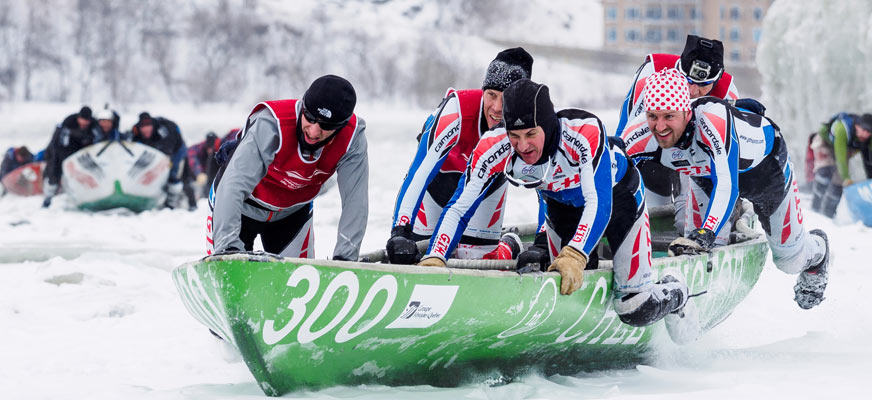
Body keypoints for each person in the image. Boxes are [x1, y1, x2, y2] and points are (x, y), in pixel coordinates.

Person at [420, 79, 690, 329]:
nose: (522, 146)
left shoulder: (584, 132)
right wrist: (436, 255)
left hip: (619, 199)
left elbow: (598, 203)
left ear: (547, 127)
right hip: (561, 208)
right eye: (514, 135)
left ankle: (674, 291)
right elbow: (459, 208)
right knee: (565, 291)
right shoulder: (493, 145)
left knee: (634, 309)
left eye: (530, 134)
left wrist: (575, 254)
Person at [627, 68, 832, 310]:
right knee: (692, 250)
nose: (659, 127)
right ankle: (690, 302)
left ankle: (818, 251)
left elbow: (728, 184)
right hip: (707, 176)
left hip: (765, 172)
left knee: (788, 259)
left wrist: (708, 231)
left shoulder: (712, 119)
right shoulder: (638, 134)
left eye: (669, 117)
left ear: (686, 111)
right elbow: (611, 178)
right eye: (653, 116)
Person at [387, 48, 533, 264]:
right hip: (436, 186)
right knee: (414, 253)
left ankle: (508, 245)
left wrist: (542, 238)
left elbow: (544, 180)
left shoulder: (528, 123)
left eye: (506, 99)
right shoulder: (456, 110)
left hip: (486, 188)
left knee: (477, 262)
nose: (497, 108)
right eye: (491, 95)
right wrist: (400, 230)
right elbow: (419, 172)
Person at [208, 75, 368, 261]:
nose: (314, 131)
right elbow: (232, 186)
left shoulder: (352, 139)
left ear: (341, 127)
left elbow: (356, 202)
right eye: (310, 118)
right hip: (241, 205)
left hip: (292, 213)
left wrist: (345, 259)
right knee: (229, 266)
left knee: (298, 284)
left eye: (326, 125)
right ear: (302, 107)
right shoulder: (271, 123)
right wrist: (228, 249)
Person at [616, 35, 741, 230]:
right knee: (649, 201)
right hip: (654, 149)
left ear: (717, 80)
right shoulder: (652, 72)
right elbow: (624, 133)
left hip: (695, 154)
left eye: (702, 85)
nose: (691, 91)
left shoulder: (728, 93)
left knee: (688, 215)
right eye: (686, 80)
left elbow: (730, 159)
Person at [810, 112, 872, 217]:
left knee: (838, 183)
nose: (866, 134)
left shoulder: (868, 138)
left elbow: (869, 159)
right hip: (825, 143)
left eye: (869, 132)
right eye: (864, 130)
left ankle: (828, 215)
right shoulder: (842, 129)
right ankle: (815, 209)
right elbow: (840, 158)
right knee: (825, 171)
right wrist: (846, 178)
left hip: (844, 148)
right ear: (857, 126)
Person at [42, 106, 97, 208]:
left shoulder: (93, 126)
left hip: (81, 153)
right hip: (59, 152)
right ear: (78, 118)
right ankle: (48, 199)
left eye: (87, 121)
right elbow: (59, 146)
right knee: (54, 174)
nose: (85, 123)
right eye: (83, 120)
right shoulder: (68, 124)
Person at [132, 112, 189, 209]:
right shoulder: (135, 130)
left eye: (148, 126)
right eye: (143, 126)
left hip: (177, 149)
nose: (146, 129)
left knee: (173, 173)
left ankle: (172, 202)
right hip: (156, 149)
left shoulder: (163, 131)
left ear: (152, 126)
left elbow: (169, 149)